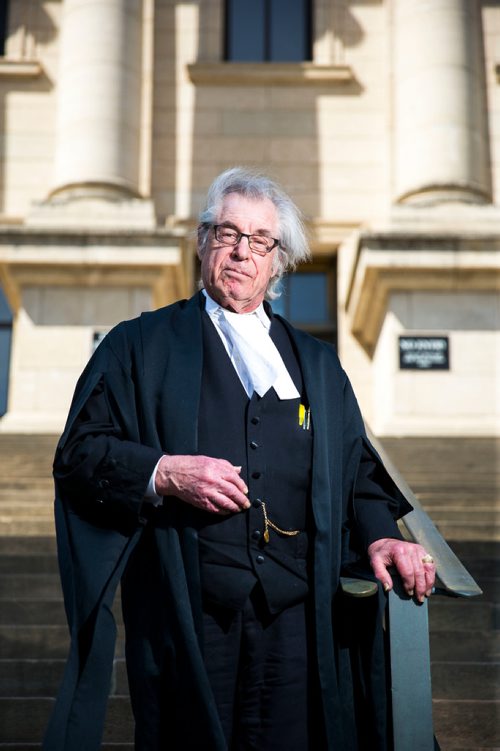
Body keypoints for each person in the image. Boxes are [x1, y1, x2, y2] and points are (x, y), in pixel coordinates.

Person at [43, 167, 435, 751]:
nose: (241, 252)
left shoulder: (318, 364)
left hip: (299, 617)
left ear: (277, 261)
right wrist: (164, 472)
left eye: (259, 241)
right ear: (203, 243)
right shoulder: (141, 344)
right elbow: (79, 454)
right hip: (190, 613)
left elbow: (357, 474)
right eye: (227, 234)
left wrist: (382, 536)